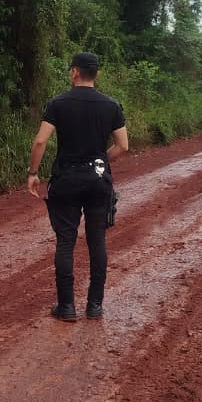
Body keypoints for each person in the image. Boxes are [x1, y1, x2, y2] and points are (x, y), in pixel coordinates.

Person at [27, 51, 128, 322]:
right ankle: (95, 305)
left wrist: (33, 173)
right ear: (97, 74)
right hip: (98, 182)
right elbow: (123, 146)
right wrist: (99, 162)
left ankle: (67, 307)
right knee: (97, 241)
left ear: (74, 72)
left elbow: (40, 141)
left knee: (66, 242)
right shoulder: (111, 105)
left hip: (66, 181)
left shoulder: (58, 104)